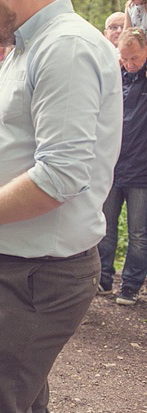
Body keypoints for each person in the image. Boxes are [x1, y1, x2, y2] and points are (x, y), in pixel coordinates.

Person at [0, 1, 123, 412]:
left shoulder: (65, 46)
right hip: (4, 263)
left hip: (35, 274)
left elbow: (60, 177)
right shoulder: (28, 47)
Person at [98, 28, 147, 306]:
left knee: (139, 233)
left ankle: (130, 286)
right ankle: (104, 279)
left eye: (135, 58)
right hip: (114, 167)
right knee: (105, 226)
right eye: (125, 58)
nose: (130, 64)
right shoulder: (116, 78)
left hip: (142, 172)